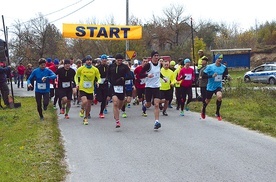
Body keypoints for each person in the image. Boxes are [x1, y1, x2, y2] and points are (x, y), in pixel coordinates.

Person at [139, 51, 164, 130]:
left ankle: (157, 121)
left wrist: (163, 78)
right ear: (152, 57)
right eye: (155, 56)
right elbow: (140, 74)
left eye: (157, 56)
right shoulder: (148, 65)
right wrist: (147, 75)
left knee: (156, 104)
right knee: (149, 105)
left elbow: (159, 73)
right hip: (149, 87)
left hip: (157, 87)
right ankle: (145, 104)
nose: (157, 57)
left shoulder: (160, 64)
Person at [106, 53, 131, 128]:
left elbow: (130, 75)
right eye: (118, 60)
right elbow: (108, 75)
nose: (119, 62)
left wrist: (123, 78)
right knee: (115, 103)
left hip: (121, 87)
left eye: (120, 60)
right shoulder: (111, 66)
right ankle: (117, 121)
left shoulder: (125, 67)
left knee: (120, 103)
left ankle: (116, 112)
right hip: (113, 86)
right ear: (115, 60)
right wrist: (107, 80)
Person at [201, 53, 227, 121]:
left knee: (219, 97)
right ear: (216, 59)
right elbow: (203, 76)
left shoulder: (223, 67)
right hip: (210, 86)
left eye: (221, 58)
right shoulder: (210, 67)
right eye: (219, 58)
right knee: (207, 100)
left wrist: (225, 78)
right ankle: (203, 110)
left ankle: (217, 113)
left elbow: (225, 74)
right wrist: (211, 76)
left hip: (218, 86)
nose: (220, 60)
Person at [76, 55, 101, 125]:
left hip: (90, 89)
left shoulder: (95, 69)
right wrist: (77, 84)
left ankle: (86, 118)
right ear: (85, 61)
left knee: (89, 105)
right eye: (88, 60)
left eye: (90, 60)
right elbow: (76, 76)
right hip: (82, 88)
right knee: (85, 101)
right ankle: (82, 109)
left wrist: (98, 82)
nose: (89, 61)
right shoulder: (81, 69)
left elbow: (99, 77)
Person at [96, 54, 109, 118]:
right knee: (99, 98)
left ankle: (101, 112)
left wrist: (108, 79)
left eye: (105, 59)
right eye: (103, 59)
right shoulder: (97, 67)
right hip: (99, 84)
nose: (104, 60)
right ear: (101, 60)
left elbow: (110, 74)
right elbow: (95, 75)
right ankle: (96, 98)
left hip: (106, 84)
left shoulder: (108, 67)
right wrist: (97, 81)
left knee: (104, 98)